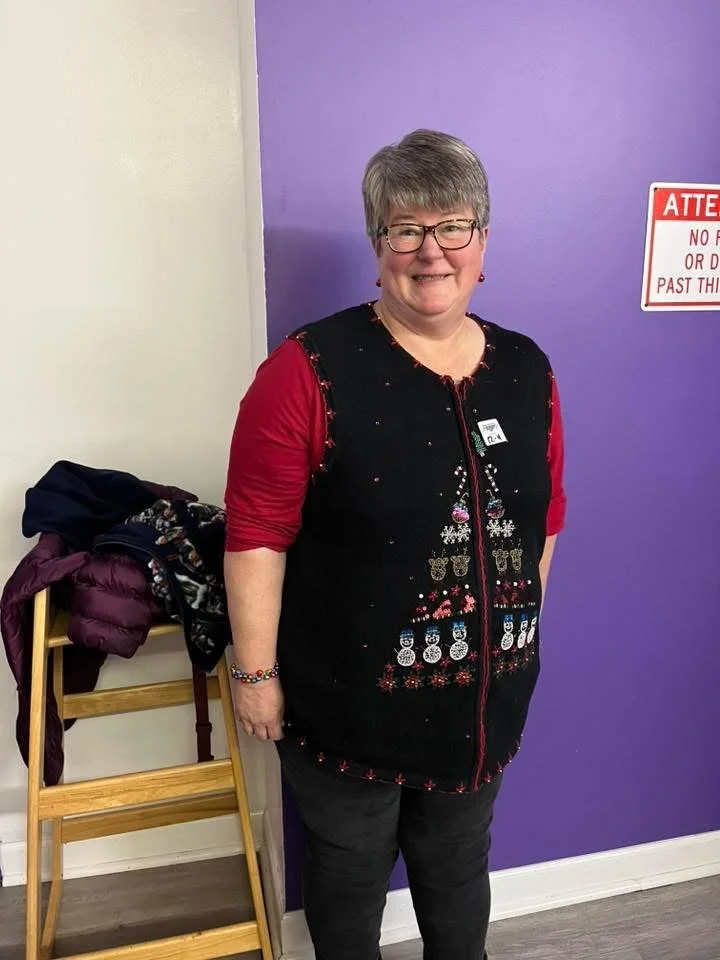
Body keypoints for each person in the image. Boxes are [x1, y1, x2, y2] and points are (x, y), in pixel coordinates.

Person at [224, 129, 566, 960]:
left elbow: (543, 521)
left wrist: (513, 643)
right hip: (345, 706)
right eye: (404, 230)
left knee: (457, 869)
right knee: (347, 876)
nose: (431, 251)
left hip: (479, 705)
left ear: (482, 241)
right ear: (378, 247)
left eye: (452, 226)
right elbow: (257, 535)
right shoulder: (309, 368)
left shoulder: (526, 370)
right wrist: (258, 675)